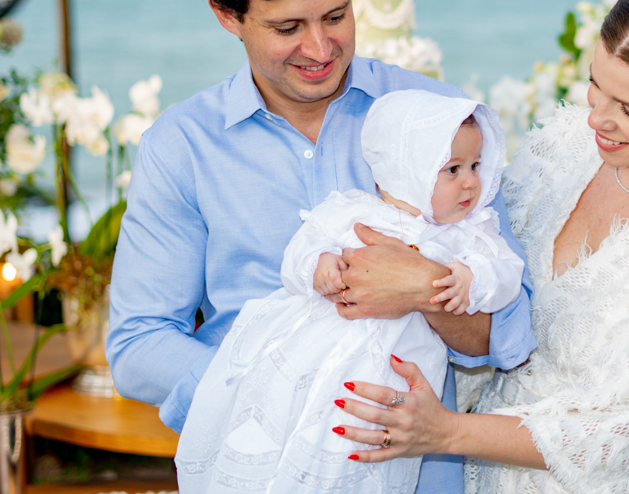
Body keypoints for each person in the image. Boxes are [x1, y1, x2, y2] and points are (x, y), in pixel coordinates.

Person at [106, 0, 536, 494]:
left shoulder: (443, 122)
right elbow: (140, 341)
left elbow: (514, 333)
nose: (319, 47)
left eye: (336, 16)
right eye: (287, 28)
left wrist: (423, 287)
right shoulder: (181, 146)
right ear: (228, 16)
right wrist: (274, 397)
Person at [330, 0, 629, 494]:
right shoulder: (563, 147)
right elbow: (477, 271)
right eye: (596, 85)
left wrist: (447, 431)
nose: (598, 119)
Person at [175, 90, 524, 493]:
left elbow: (506, 273)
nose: (471, 182)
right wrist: (318, 264)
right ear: (407, 170)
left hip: (386, 378)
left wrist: (470, 277)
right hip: (313, 353)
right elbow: (300, 251)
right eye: (452, 169)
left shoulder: (469, 234)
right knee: (284, 431)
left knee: (353, 457)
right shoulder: (354, 211)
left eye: (477, 166)